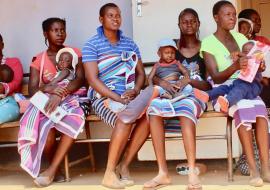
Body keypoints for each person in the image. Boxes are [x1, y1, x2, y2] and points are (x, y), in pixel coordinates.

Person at [201, 1, 270, 187]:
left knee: (262, 112)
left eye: (233, 14)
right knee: (243, 110)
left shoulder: (240, 37)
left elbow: (252, 59)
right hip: (224, 91)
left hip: (246, 85)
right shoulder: (208, 43)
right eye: (227, 14)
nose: (232, 17)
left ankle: (266, 168)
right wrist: (235, 66)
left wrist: (258, 65)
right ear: (216, 17)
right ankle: (253, 170)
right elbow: (215, 75)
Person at [82, 3, 150, 189]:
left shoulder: (130, 43)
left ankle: (124, 166)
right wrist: (117, 98)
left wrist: (135, 90)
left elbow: (141, 74)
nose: (116, 19)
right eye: (111, 15)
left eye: (118, 15)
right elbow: (92, 79)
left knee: (151, 117)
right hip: (103, 97)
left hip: (129, 95)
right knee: (125, 118)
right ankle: (109, 173)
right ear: (101, 19)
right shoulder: (91, 45)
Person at [144, 8, 211, 189]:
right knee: (154, 107)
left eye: (193, 21)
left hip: (195, 94)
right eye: (184, 21)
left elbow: (209, 85)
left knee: (186, 107)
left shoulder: (206, 48)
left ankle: (191, 172)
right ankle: (162, 173)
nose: (189, 24)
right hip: (171, 94)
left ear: (199, 24)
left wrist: (188, 81)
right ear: (179, 25)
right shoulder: (171, 50)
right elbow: (156, 73)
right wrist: (163, 84)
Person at [18, 17, 86, 187]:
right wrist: (49, 89)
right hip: (48, 102)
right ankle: (54, 168)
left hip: (72, 99)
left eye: (62, 29)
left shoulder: (74, 53)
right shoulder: (38, 60)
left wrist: (60, 94)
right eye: (55, 30)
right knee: (46, 132)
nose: (60, 33)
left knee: (73, 119)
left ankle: (51, 170)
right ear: (45, 33)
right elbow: (33, 90)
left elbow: (79, 79)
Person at [197, 40, 265, 113]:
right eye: (245, 52)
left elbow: (262, 67)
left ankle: (227, 102)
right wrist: (236, 57)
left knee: (240, 89)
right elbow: (238, 62)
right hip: (238, 83)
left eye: (251, 52)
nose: (248, 54)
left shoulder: (258, 62)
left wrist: (261, 66)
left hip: (251, 87)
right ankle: (208, 95)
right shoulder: (242, 62)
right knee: (224, 88)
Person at [0, 33, 23, 124]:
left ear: (2, 45)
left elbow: (17, 82)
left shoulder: (14, 62)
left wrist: (3, 87)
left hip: (9, 102)